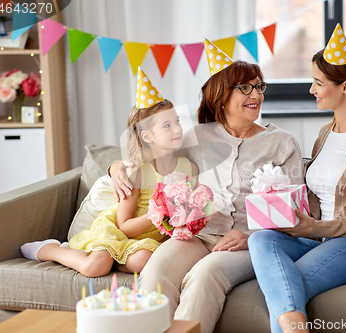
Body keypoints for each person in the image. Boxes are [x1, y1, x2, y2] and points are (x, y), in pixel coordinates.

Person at [109, 39, 304, 333]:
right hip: (198, 234)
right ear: (222, 96)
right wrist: (115, 168)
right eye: (245, 87)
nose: (256, 95)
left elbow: (295, 209)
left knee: (204, 277)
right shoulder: (196, 136)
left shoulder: (282, 143)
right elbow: (147, 151)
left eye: (259, 86)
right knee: (156, 271)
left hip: (253, 243)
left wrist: (251, 233)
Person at [247, 24, 346, 333]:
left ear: (345, 86)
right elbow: (316, 197)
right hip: (320, 239)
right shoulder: (324, 133)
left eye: (318, 82)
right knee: (260, 239)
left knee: (287, 286)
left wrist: (318, 227)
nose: (311, 90)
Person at [21, 69, 198, 278]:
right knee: (95, 268)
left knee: (144, 260)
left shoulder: (189, 169)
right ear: (147, 136)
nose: (177, 130)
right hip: (119, 234)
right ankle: (51, 250)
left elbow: (193, 209)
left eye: (177, 121)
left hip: (150, 241)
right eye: (167, 125)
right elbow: (124, 226)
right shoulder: (138, 172)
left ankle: (114, 260)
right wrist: (160, 215)